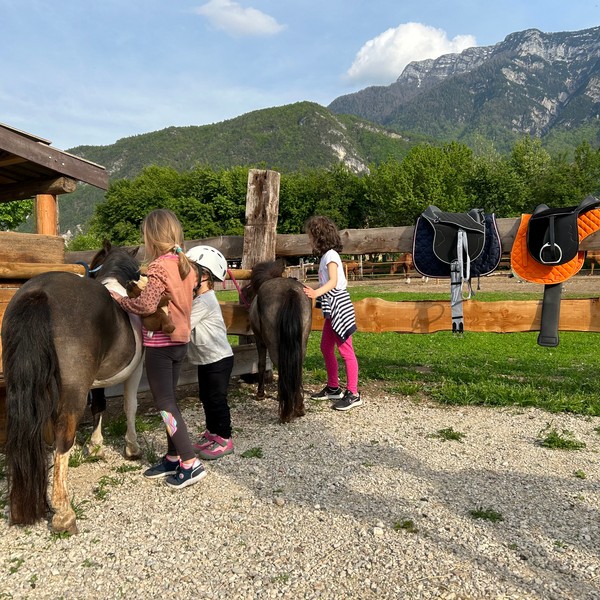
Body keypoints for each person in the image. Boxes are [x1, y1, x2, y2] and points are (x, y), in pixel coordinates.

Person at [115, 208, 206, 489]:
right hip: (179, 343)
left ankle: (190, 462)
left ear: (150, 237)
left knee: (165, 404)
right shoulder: (186, 266)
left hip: (160, 345)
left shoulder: (157, 268)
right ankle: (173, 456)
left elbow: (146, 305)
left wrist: (119, 299)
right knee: (171, 400)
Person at [303, 215, 362, 411]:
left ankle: (353, 393)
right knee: (326, 347)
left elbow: (333, 282)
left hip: (339, 306)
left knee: (346, 351)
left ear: (319, 237)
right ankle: (333, 387)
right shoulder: (326, 256)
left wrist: (315, 293)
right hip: (331, 307)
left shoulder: (331, 256)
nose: (309, 240)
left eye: (311, 236)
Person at [185, 245, 235, 460]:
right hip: (207, 359)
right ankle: (212, 433)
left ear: (203, 275)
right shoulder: (198, 299)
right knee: (206, 397)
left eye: (190, 272)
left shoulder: (205, 301)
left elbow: (183, 326)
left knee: (216, 399)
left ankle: (225, 437)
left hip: (218, 359)